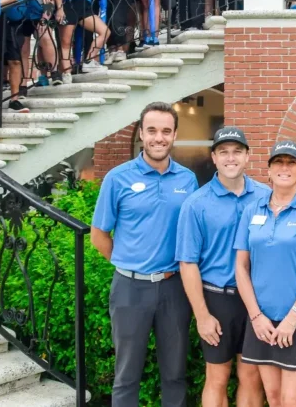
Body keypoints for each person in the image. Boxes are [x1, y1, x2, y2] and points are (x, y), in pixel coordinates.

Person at [91, 103, 197, 406]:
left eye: (166, 131)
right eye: (152, 130)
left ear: (175, 135)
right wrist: (130, 264)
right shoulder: (117, 178)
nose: (158, 138)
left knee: (175, 374)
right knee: (126, 376)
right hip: (129, 289)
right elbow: (99, 236)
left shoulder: (187, 180)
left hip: (174, 287)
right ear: (141, 133)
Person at [176, 127, 267, 407]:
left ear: (248, 156)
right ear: (214, 157)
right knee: (217, 376)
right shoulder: (196, 204)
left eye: (237, 151)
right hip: (218, 300)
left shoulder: (266, 196)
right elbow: (187, 263)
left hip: (257, 301)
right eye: (223, 152)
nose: (231, 158)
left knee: (252, 376)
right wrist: (202, 315)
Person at [235, 140, 296, 407]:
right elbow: (241, 267)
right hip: (263, 320)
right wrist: (256, 316)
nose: (284, 168)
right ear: (268, 170)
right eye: (278, 162)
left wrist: (292, 317)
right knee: (274, 397)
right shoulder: (252, 210)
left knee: (292, 400)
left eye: (292, 163)